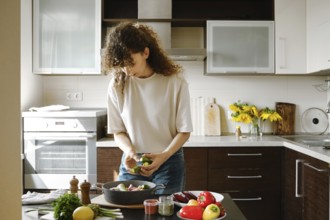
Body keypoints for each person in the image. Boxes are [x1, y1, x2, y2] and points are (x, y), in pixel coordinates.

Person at [103, 22, 193, 195]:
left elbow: (184, 131)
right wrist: (129, 151)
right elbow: (118, 132)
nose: (127, 71)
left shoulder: (175, 82)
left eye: (131, 63)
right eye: (122, 65)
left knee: (164, 213)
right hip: (133, 162)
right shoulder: (117, 84)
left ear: (146, 52)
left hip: (169, 161)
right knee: (127, 213)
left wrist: (164, 155)